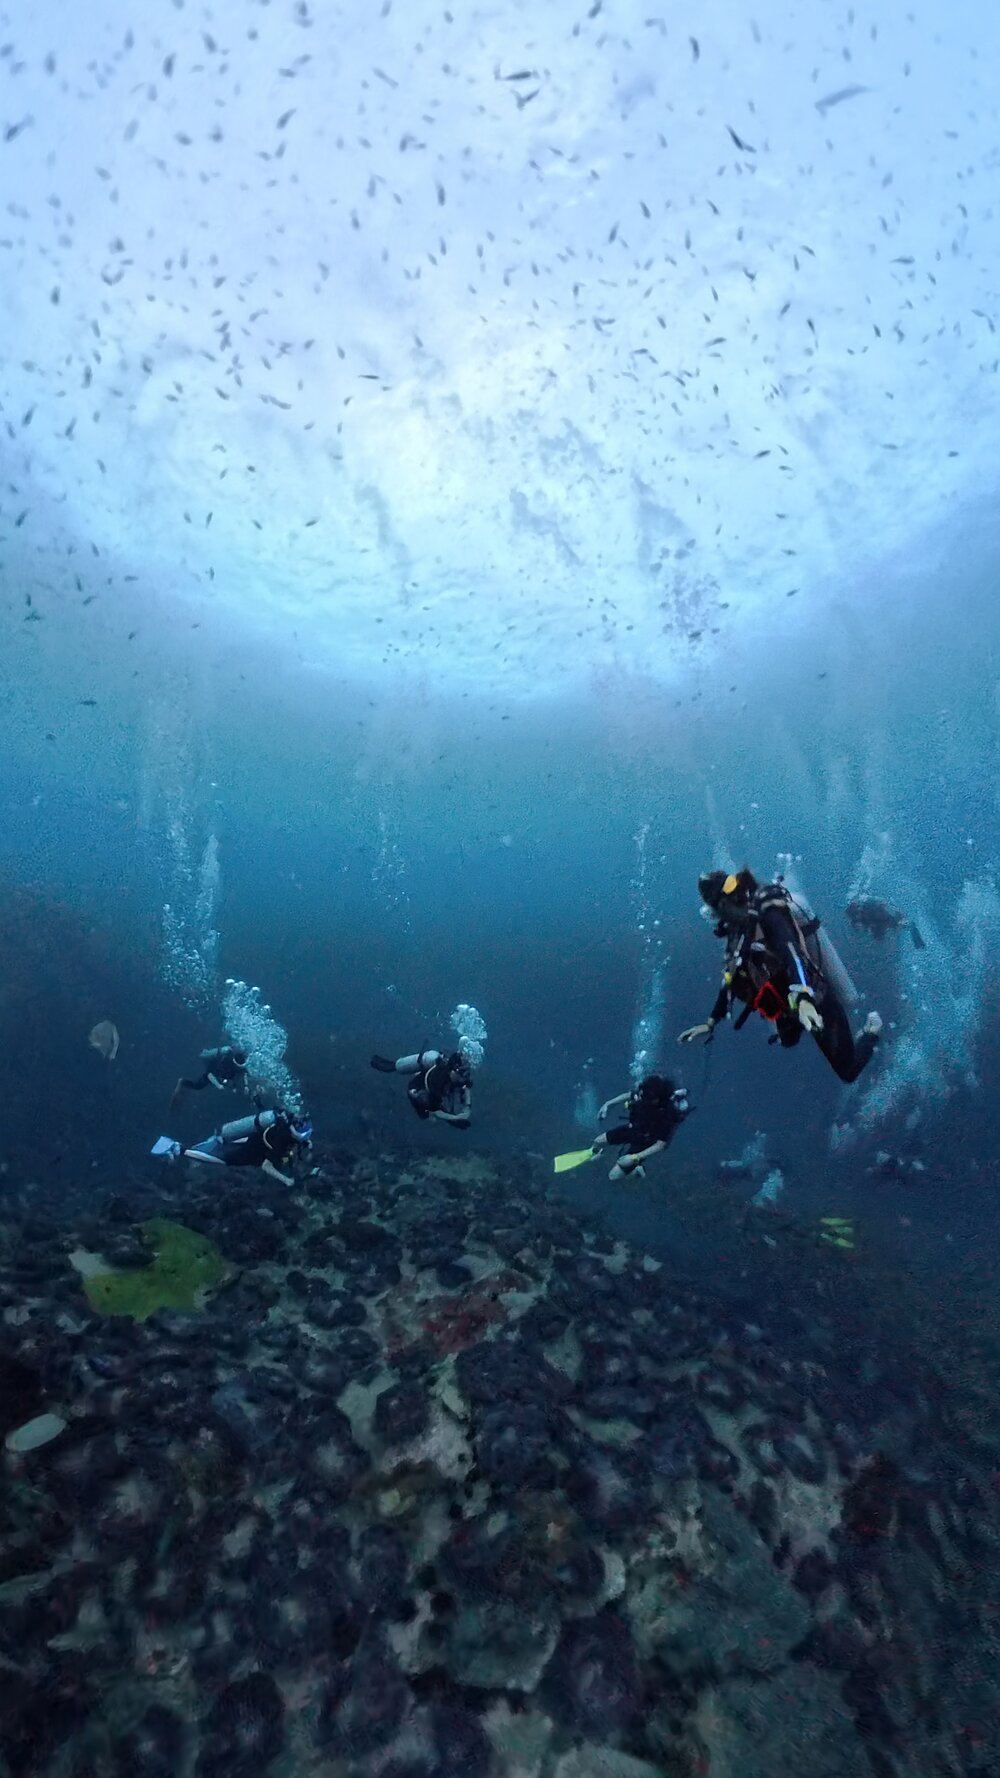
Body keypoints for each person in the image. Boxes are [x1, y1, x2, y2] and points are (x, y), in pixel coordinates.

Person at [678, 868, 882, 1085]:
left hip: (813, 997)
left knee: (847, 1071)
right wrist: (710, 1022)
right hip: (787, 1008)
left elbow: (791, 951)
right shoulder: (736, 933)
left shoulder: (768, 913)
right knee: (788, 1040)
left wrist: (804, 998)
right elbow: (730, 978)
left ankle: (872, 1031)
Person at [155, 1106, 312, 1186]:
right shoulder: (283, 1139)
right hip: (249, 1153)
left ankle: (217, 1140)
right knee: (219, 1159)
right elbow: (266, 1166)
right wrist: (286, 1180)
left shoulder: (284, 1126)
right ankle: (178, 1148)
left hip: (252, 1141)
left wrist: (307, 1145)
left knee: (223, 1145)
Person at [590, 1073, 690, 1181]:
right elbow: (630, 1095)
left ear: (658, 1099)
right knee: (598, 1141)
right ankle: (599, 1153)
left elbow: (660, 1145)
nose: (643, 1098)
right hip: (634, 1129)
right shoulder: (645, 1093)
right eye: (642, 1094)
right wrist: (608, 1104)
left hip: (648, 1140)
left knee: (613, 1177)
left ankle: (638, 1171)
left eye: (648, 1098)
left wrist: (635, 1157)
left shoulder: (667, 1114)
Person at [370, 1048, 472, 1128]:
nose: (464, 1077)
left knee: (433, 1111)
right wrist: (453, 1118)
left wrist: (467, 1107)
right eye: (462, 1073)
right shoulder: (438, 1080)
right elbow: (435, 1109)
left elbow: (466, 1086)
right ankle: (390, 1066)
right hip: (417, 1089)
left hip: (433, 1087)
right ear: (453, 1071)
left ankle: (393, 1066)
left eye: (466, 1073)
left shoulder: (458, 1077)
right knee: (424, 1113)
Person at [170, 1045, 250, 1109]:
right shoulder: (225, 1061)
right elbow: (209, 1074)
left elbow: (243, 1072)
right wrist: (218, 1085)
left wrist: (246, 1086)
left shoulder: (239, 1066)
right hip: (213, 1070)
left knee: (231, 1081)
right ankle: (183, 1082)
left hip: (221, 1074)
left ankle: (184, 1086)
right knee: (198, 1086)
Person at [846, 897, 925, 950]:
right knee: (881, 935)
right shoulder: (864, 918)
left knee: (899, 924)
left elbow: (884, 907)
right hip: (881, 920)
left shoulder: (872, 908)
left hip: (885, 918)